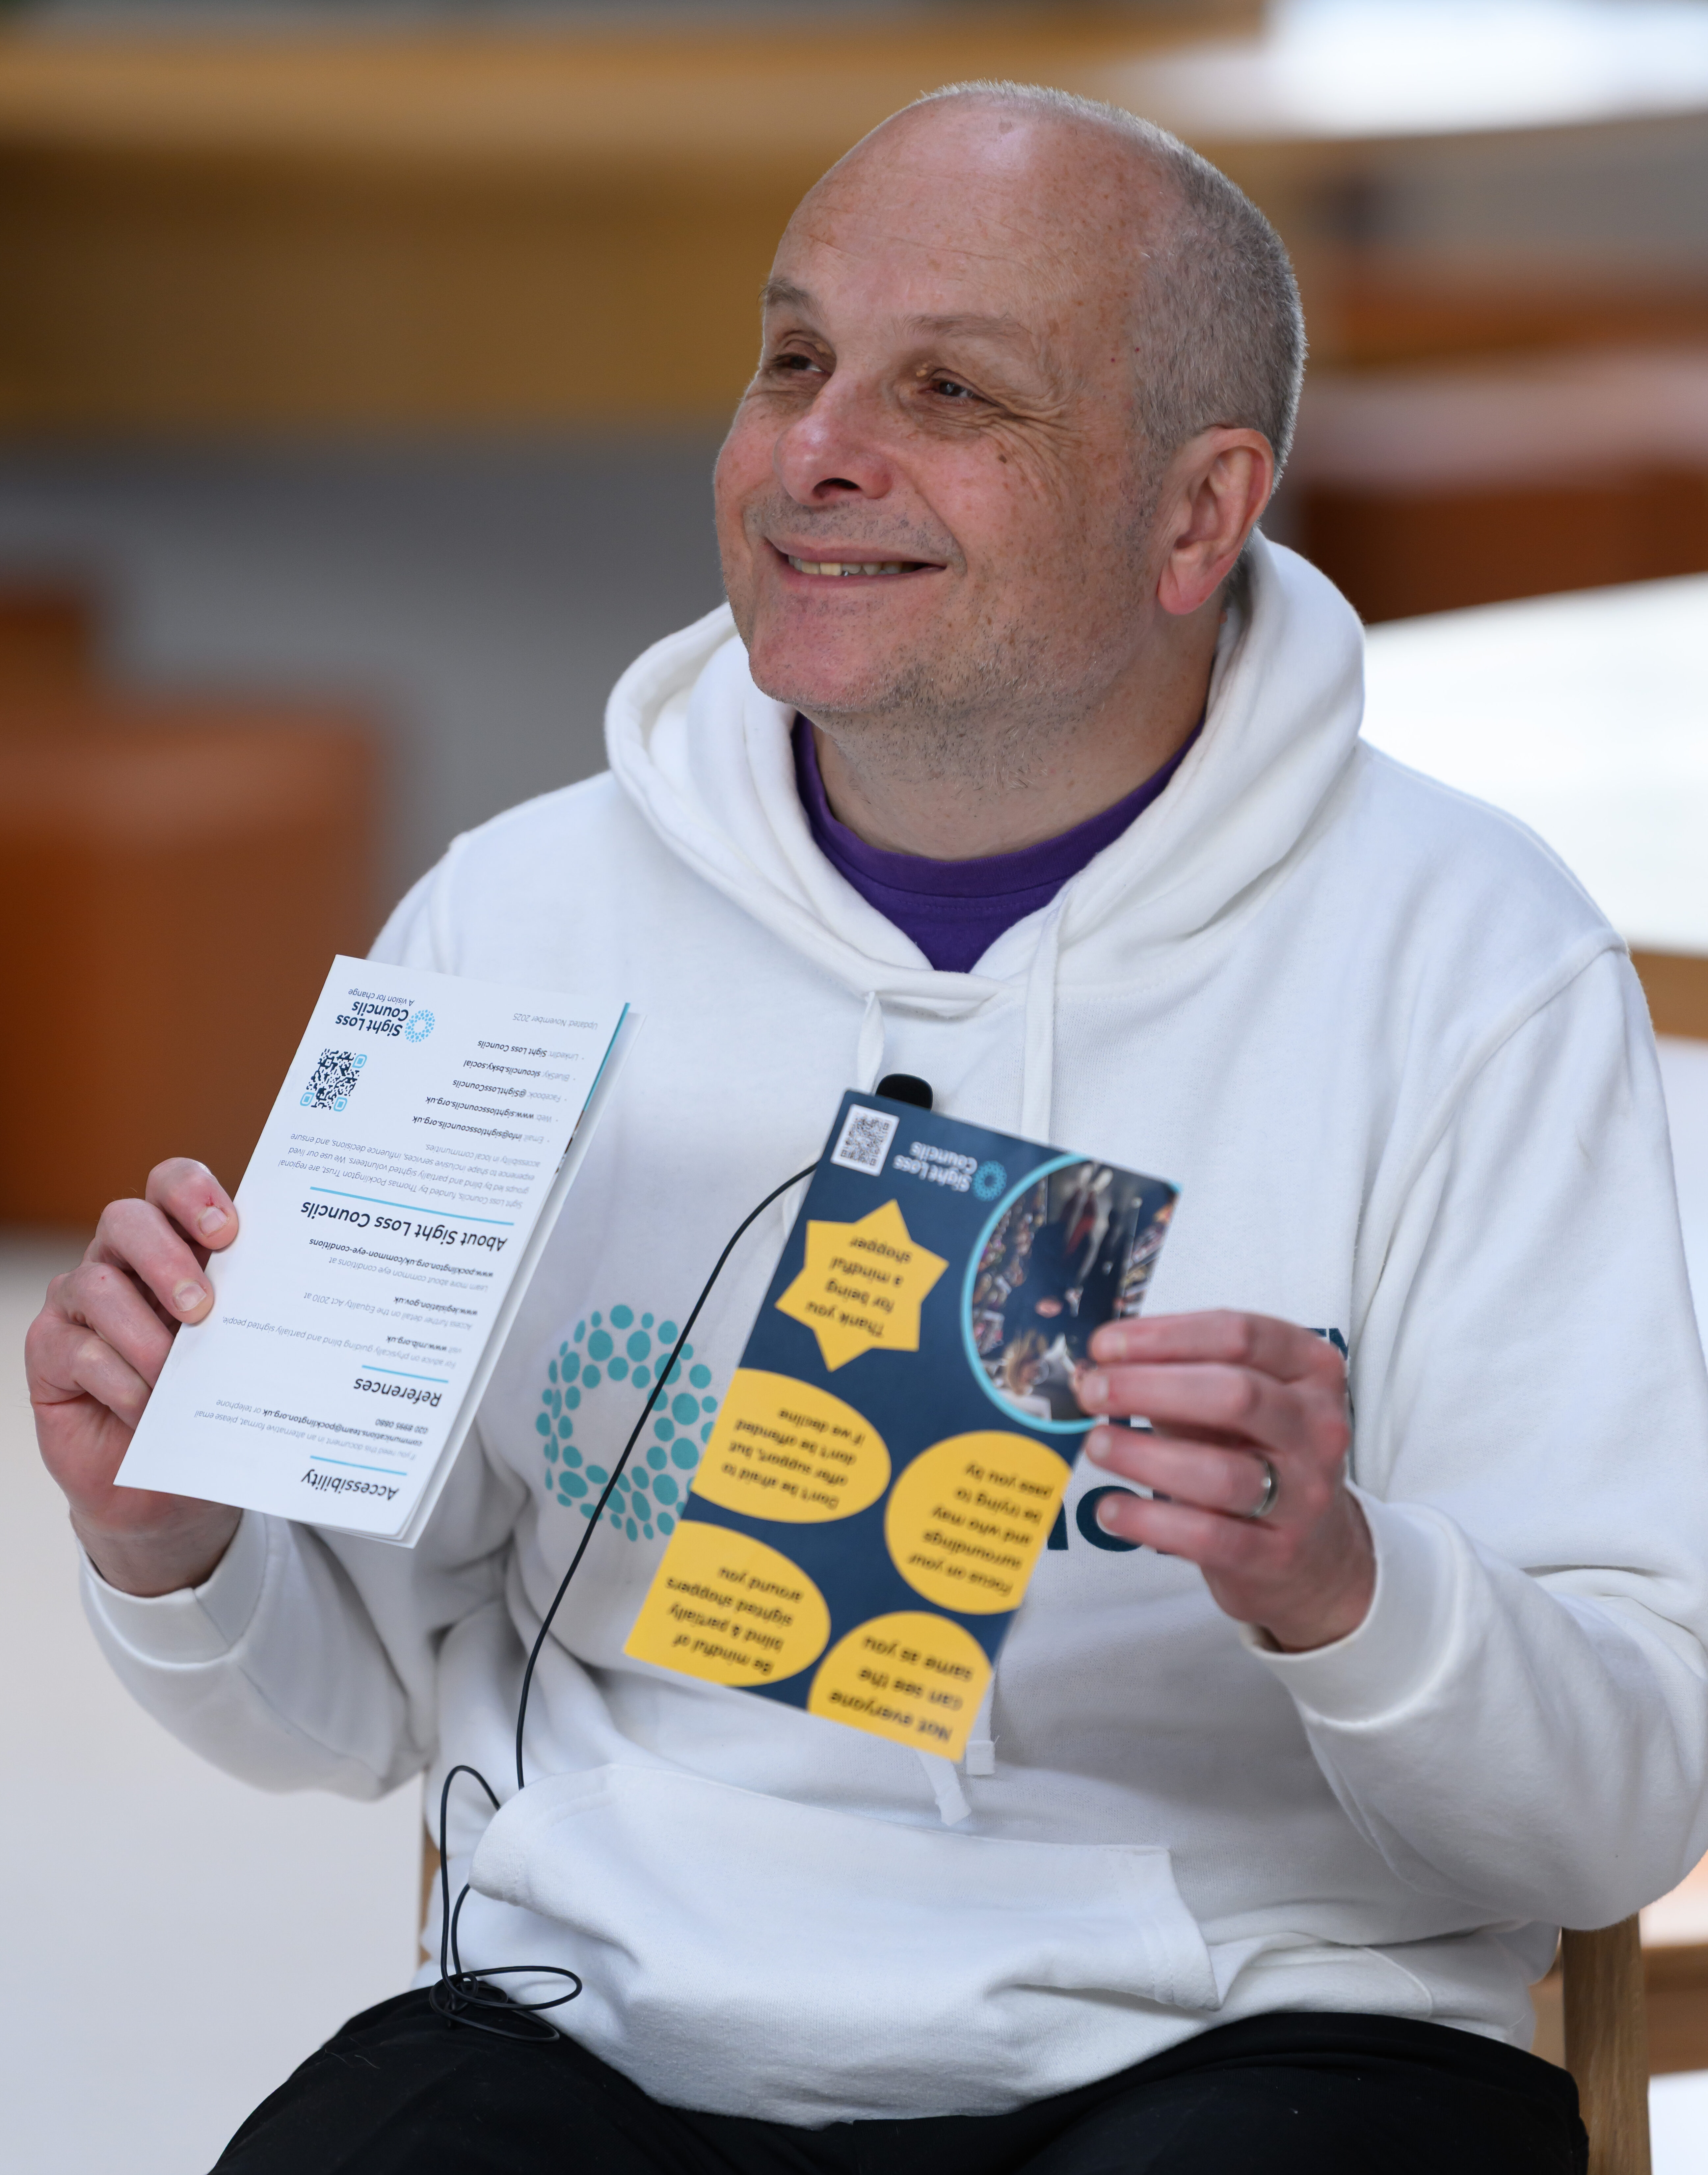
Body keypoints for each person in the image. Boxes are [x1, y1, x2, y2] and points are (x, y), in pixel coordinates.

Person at [26, 80, 1708, 2175]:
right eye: (794, 358)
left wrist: (1344, 1585)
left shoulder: (1469, 963)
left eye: (952, 393)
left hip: (1272, 2029)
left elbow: (1620, 1806)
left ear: (1198, 517)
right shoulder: (508, 926)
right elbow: (347, 1705)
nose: (818, 449)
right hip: (612, 2024)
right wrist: (170, 1534)